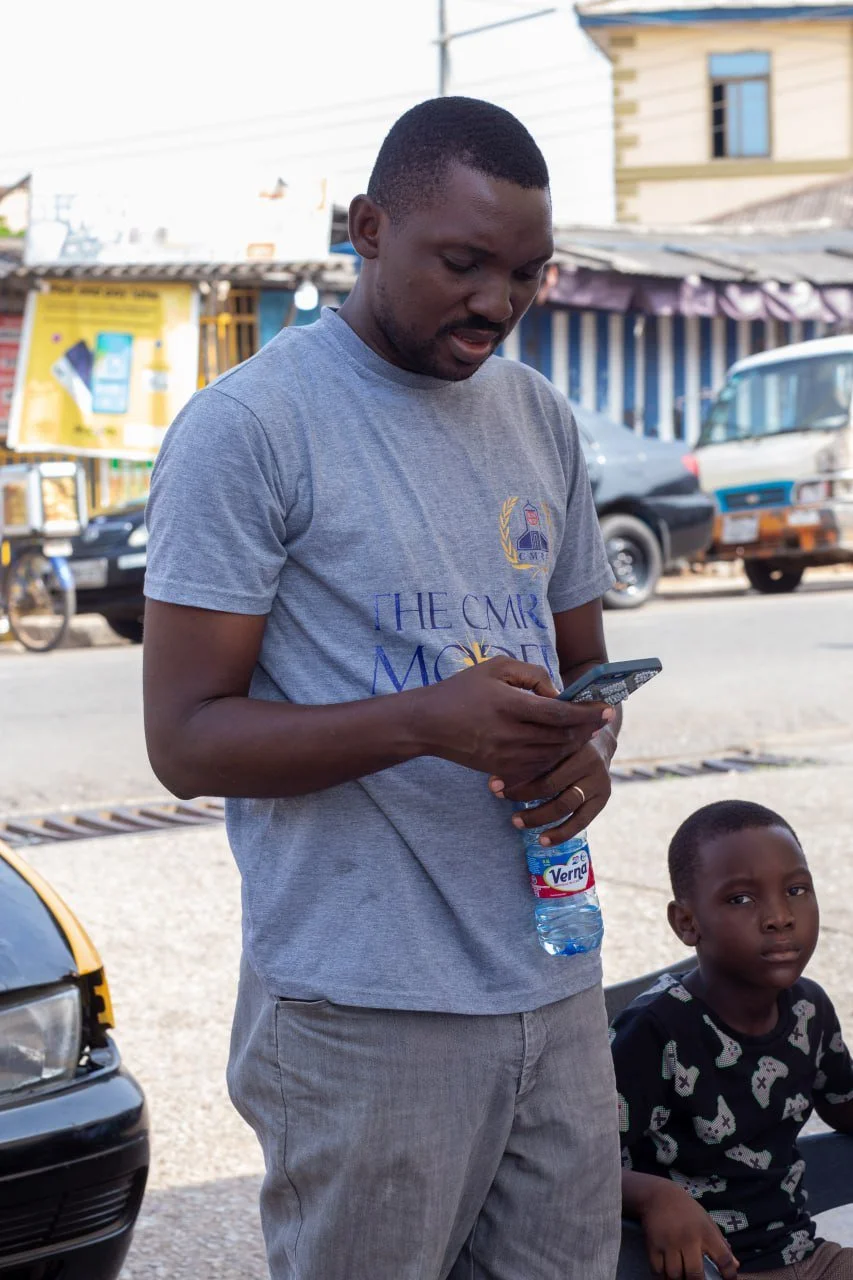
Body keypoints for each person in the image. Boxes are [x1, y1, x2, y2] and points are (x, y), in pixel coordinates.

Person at [143, 96, 623, 1280]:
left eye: (525, 274)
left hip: (552, 980)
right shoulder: (252, 427)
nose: (496, 304)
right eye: (462, 263)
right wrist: (424, 721)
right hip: (363, 1011)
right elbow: (186, 740)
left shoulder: (540, 420)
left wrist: (587, 744)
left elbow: (583, 667)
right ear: (367, 227)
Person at [611, 800, 853, 1280]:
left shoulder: (810, 1010)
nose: (780, 917)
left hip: (804, 1257)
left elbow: (845, 1105)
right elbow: (575, 1165)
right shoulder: (656, 1032)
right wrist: (654, 1196)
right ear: (687, 923)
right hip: (702, 1268)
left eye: (797, 889)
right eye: (741, 899)